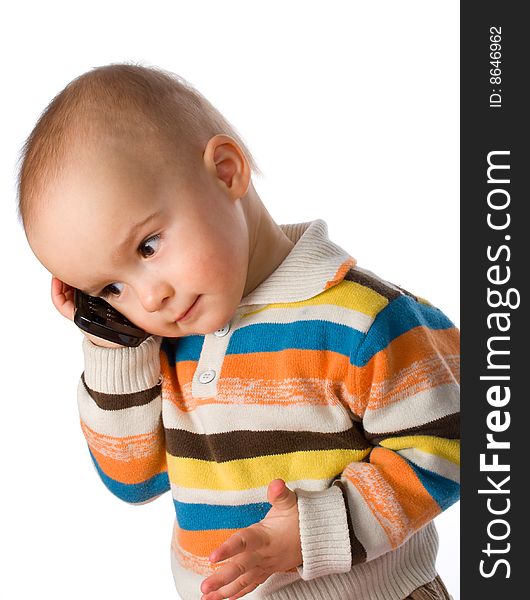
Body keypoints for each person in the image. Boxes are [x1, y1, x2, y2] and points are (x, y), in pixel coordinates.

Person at [17, 63, 459, 600]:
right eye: (110, 288)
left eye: (148, 247)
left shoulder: (360, 320)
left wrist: (313, 533)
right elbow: (133, 480)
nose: (148, 297)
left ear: (226, 172)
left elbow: (451, 441)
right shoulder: (163, 343)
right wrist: (112, 344)